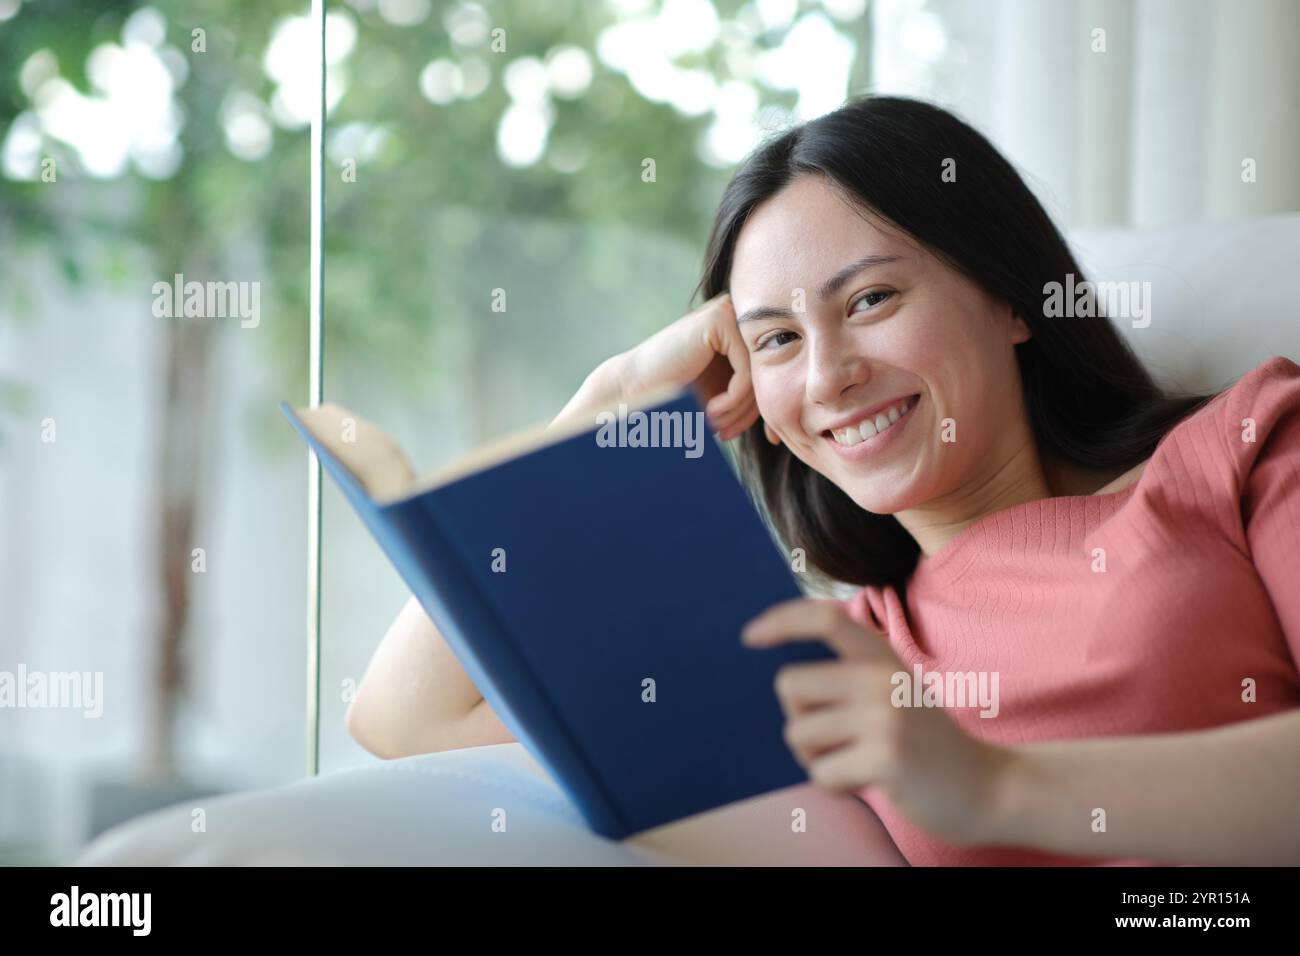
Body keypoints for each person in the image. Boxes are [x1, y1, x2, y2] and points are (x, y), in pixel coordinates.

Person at [349, 96, 1300, 867]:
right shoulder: (840, 665)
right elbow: (404, 714)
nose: (826, 375)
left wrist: (989, 789)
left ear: (1010, 297)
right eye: (777, 340)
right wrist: (609, 402)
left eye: (872, 300)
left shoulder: (1244, 451)